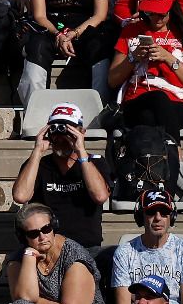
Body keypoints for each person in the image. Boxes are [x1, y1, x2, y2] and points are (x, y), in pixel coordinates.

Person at [108, 0, 183, 141]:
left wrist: (169, 58)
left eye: (161, 13)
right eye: (150, 12)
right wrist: (133, 58)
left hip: (175, 102)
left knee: (151, 114)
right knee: (155, 100)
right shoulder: (132, 31)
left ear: (172, 8)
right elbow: (112, 80)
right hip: (137, 99)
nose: (155, 18)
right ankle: (174, 149)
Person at [10, 102, 109, 252]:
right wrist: (37, 151)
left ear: (81, 132)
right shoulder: (37, 165)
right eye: (56, 130)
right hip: (47, 249)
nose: (62, 137)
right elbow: (20, 196)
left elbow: (100, 196)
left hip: (85, 248)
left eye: (69, 130)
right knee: (15, 262)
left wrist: (81, 151)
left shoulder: (95, 162)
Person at [110, 187, 183, 304]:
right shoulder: (124, 252)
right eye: (151, 212)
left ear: (172, 217)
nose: (158, 218)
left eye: (164, 213)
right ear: (140, 216)